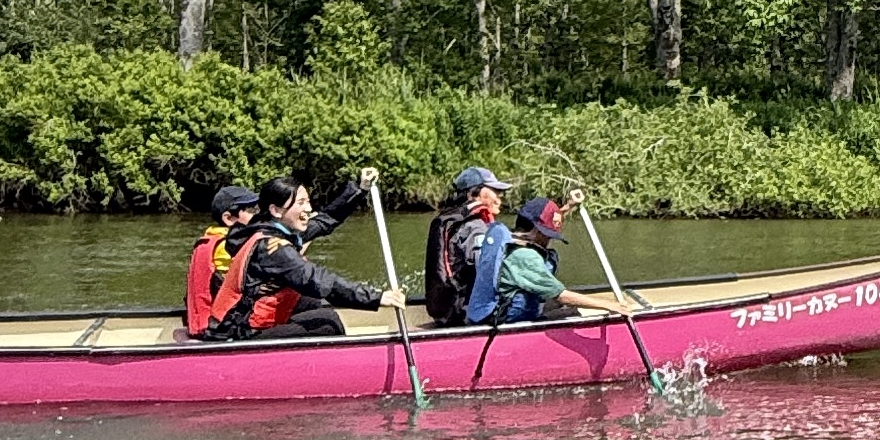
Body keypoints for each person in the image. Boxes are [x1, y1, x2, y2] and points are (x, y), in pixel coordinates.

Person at [195, 171, 404, 341]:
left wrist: (360, 189)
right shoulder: (272, 247)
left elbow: (325, 220)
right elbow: (317, 280)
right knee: (327, 322)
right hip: (236, 332)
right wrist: (377, 297)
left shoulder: (275, 229)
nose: (309, 208)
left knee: (311, 301)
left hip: (244, 320)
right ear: (276, 210)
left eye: (308, 201)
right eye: (301, 203)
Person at [467, 195, 588, 325]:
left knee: (554, 305)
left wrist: (568, 206)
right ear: (537, 232)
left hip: (489, 311)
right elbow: (562, 296)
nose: (548, 241)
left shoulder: (510, 240)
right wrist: (611, 305)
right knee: (572, 312)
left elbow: (544, 221)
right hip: (503, 319)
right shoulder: (524, 256)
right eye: (547, 236)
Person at [425, 166, 513, 326]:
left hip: (449, 307)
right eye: (494, 191)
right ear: (473, 194)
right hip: (463, 314)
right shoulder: (475, 227)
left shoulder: (453, 219)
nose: (499, 198)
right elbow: (487, 269)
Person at [181, 185, 258, 337]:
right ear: (229, 219)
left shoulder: (213, 239)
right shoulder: (227, 246)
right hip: (223, 326)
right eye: (251, 211)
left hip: (210, 320)